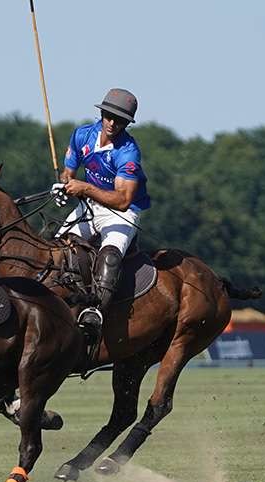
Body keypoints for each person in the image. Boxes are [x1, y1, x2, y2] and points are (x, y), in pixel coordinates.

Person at [52, 88, 152, 336]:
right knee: (57, 247)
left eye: (120, 120)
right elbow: (68, 172)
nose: (112, 122)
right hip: (89, 205)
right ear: (102, 112)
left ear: (128, 123)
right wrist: (63, 186)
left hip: (121, 212)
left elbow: (122, 200)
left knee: (110, 255)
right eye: (109, 115)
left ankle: (94, 310)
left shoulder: (128, 152)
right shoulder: (82, 135)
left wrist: (83, 187)